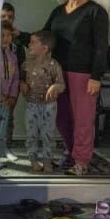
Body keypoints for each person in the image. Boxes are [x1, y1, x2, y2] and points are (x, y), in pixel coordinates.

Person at [43, 0, 109, 176]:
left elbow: (101, 47)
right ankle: (71, 152)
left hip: (83, 75)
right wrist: (18, 34)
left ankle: (82, 161)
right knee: (61, 117)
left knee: (83, 119)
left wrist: (96, 77)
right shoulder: (57, 11)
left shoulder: (95, 12)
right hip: (58, 74)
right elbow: (44, 38)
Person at [20, 30, 65, 173]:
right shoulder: (26, 65)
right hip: (31, 105)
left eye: (33, 42)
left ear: (44, 48)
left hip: (49, 106)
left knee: (48, 134)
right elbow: (21, 79)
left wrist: (55, 86)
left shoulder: (54, 65)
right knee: (31, 134)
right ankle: (33, 160)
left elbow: (62, 85)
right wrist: (22, 84)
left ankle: (47, 161)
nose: (29, 44)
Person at [1, 2, 31, 146]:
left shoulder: (17, 40)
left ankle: (6, 147)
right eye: (3, 16)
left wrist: (21, 83)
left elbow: (21, 64)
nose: (7, 19)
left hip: (12, 87)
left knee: (9, 117)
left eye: (10, 16)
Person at [0, 21, 20, 162]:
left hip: (6, 99)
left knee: (3, 127)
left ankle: (2, 150)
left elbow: (15, 77)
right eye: (2, 35)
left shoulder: (12, 56)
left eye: (8, 35)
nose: (6, 39)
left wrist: (12, 95)